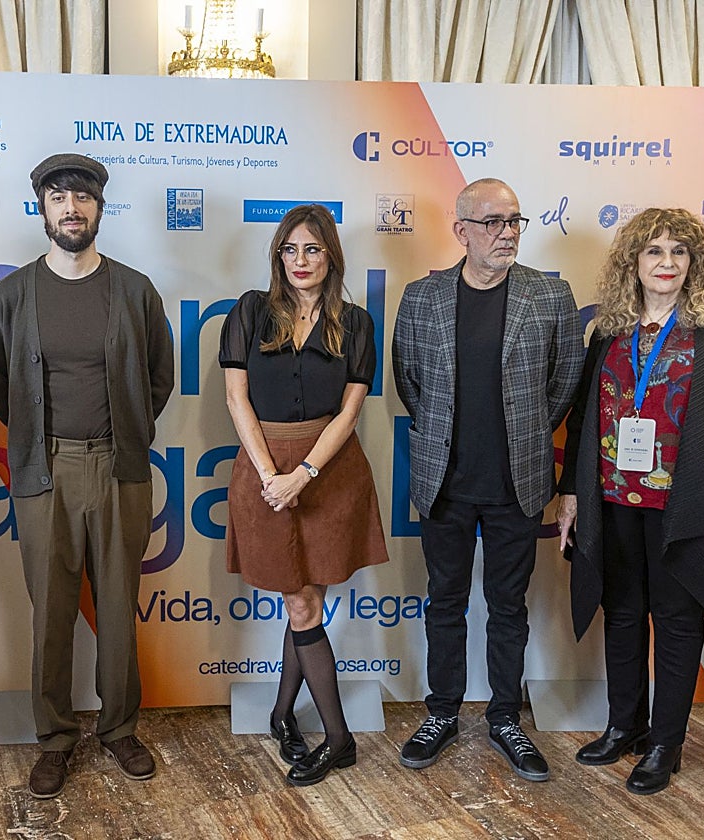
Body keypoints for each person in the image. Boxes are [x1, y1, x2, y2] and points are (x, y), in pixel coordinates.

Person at [556, 207, 704, 795]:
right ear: (634, 261)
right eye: (655, 251)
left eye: (680, 252)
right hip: (614, 499)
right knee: (622, 613)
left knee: (676, 622)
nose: (667, 262)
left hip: (686, 506)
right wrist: (572, 494)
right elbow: (581, 421)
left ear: (694, 264)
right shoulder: (608, 330)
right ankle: (623, 726)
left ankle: (663, 744)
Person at [0, 153, 174, 799]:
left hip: (120, 468)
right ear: (42, 208)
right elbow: (3, 384)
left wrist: (126, 433)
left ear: (99, 208)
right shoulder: (12, 295)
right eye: (59, 197)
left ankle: (119, 730)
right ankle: (55, 739)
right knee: (51, 613)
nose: (72, 208)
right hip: (45, 470)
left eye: (83, 197)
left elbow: (159, 378)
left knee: (119, 608)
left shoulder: (135, 289)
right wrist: (44, 444)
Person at [391, 178, 582, 782]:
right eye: (494, 222)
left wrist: (528, 433)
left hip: (517, 485)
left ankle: (505, 718)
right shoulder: (422, 298)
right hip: (444, 483)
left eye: (515, 221)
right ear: (462, 231)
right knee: (443, 603)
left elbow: (565, 381)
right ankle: (441, 712)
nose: (507, 233)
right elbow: (409, 382)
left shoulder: (549, 297)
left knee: (508, 607)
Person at [219, 203, 389, 787]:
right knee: (301, 602)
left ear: (331, 256)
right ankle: (335, 737)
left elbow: (350, 412)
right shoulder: (249, 311)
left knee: (305, 600)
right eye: (290, 249)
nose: (300, 260)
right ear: (277, 257)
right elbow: (237, 399)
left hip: (330, 472)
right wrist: (272, 476)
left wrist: (304, 474)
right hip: (265, 473)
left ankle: (289, 717)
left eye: (312, 249)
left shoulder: (358, 323)